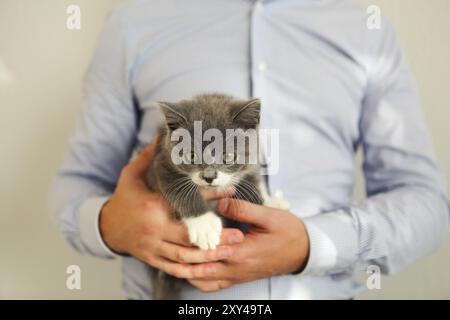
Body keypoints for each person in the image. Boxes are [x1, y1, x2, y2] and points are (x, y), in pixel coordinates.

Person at [49, 0, 450, 299]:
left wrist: (316, 245)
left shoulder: (366, 28)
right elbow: (77, 183)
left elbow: (427, 203)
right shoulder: (133, 22)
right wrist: (108, 224)